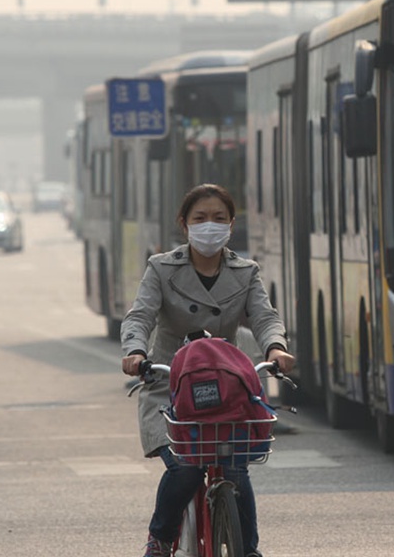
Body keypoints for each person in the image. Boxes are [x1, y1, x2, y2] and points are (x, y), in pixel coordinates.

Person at [121, 183, 295, 557]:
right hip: (168, 385)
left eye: (219, 218)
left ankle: (248, 550)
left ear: (232, 224)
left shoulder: (246, 272)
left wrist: (276, 347)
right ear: (184, 225)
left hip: (229, 390)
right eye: (200, 218)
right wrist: (135, 352)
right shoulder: (161, 268)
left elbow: (264, 317)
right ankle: (161, 538)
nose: (209, 225)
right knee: (185, 467)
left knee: (235, 470)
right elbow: (140, 316)